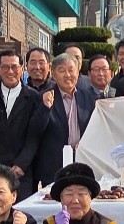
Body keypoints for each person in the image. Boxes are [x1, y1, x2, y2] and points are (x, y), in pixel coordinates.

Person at [0, 49, 43, 199]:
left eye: (14, 67)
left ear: (22, 69)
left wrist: (22, 164)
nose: (10, 71)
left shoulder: (33, 97)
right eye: (5, 67)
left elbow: (35, 135)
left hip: (21, 169)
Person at [31, 54, 96, 190]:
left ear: (78, 72)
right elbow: (35, 129)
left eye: (71, 70)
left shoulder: (88, 97)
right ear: (53, 74)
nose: (67, 75)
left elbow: (95, 127)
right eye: (62, 70)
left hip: (82, 161)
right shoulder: (43, 96)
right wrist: (45, 107)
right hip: (53, 166)